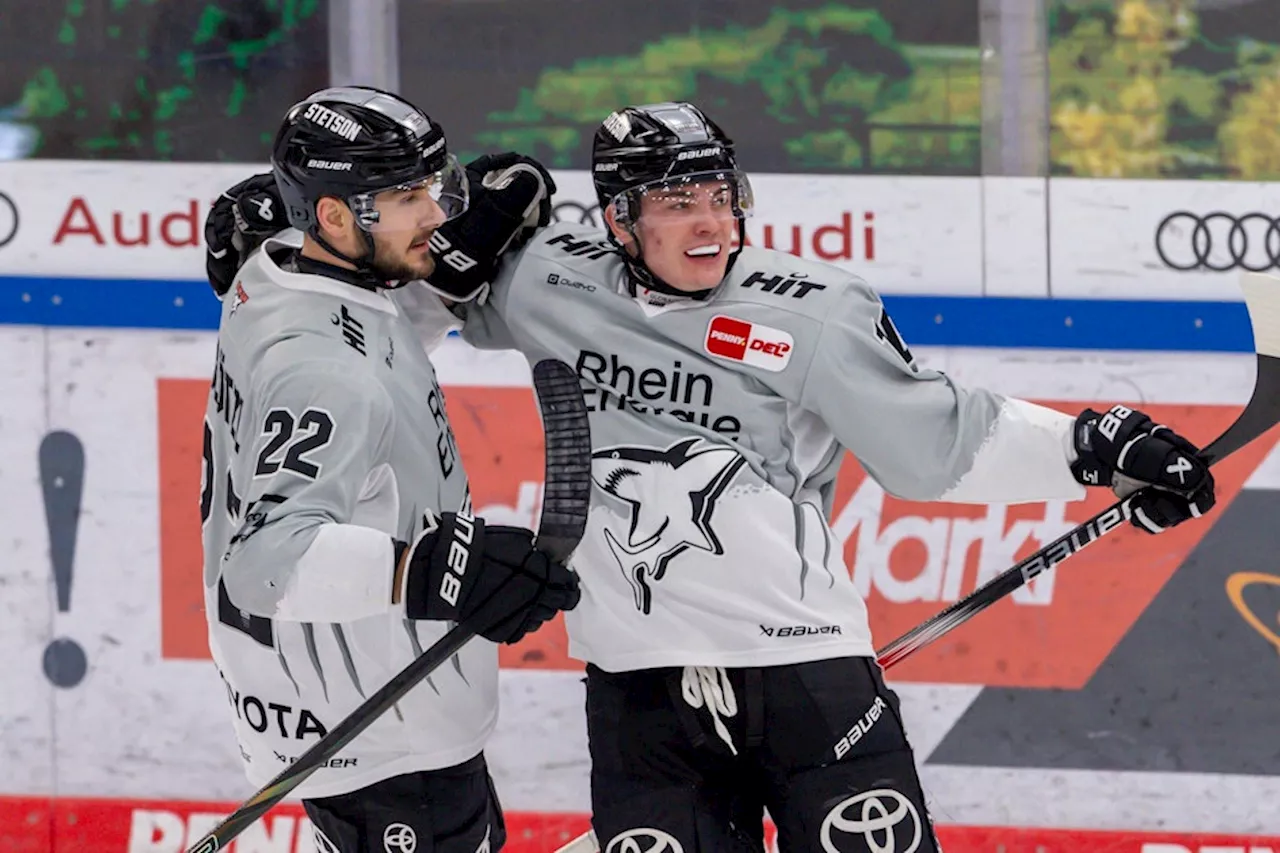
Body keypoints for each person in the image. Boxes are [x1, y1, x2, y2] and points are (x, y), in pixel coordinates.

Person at [208, 100, 1216, 853]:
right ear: (611, 217)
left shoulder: (807, 309)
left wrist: (1095, 444)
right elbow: (381, 306)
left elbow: (939, 440)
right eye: (671, 204)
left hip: (807, 676)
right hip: (639, 691)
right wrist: (275, 253)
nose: (707, 225)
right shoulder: (543, 280)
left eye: (716, 196)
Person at [199, 85, 579, 853]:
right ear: (334, 216)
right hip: (376, 727)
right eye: (409, 197)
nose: (438, 214)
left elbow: (361, 324)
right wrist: (441, 569)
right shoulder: (321, 371)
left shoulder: (273, 271)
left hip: (339, 707)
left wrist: (440, 279)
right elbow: (267, 563)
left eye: (432, 188)